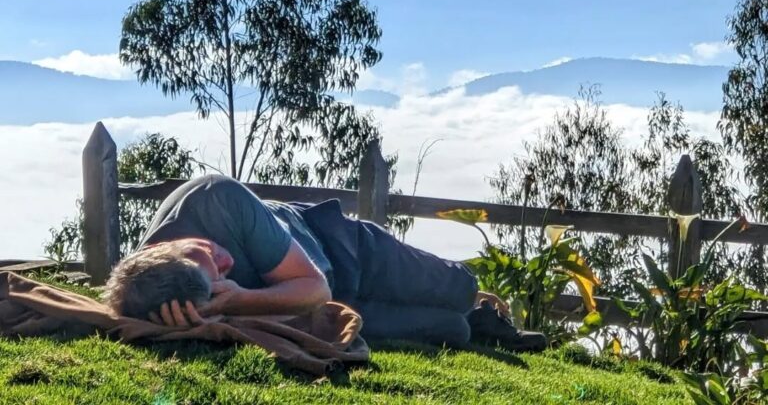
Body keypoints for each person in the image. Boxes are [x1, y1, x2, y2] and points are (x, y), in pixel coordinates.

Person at [103, 175, 546, 352]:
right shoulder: (161, 289)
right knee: (455, 330)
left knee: (459, 288)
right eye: (218, 275)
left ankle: (479, 303)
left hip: (343, 250)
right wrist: (206, 311)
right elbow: (319, 303)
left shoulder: (220, 199)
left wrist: (242, 297)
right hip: (325, 303)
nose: (225, 262)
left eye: (205, 252)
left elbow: (312, 286)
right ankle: (479, 324)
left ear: (162, 249)